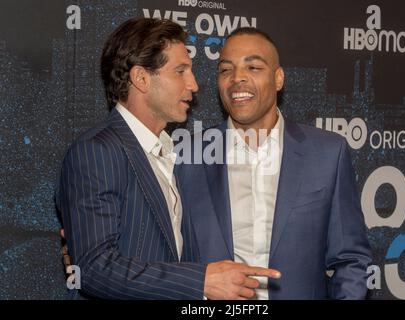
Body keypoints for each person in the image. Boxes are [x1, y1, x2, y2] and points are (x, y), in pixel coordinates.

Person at [56, 18, 281, 300]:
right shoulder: (97, 151)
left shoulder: (169, 155)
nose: (194, 84)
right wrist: (201, 281)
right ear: (141, 78)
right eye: (180, 71)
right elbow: (92, 268)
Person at [177, 27, 373, 299]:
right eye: (225, 70)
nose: (237, 79)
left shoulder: (328, 153)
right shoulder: (186, 155)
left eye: (253, 67)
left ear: (278, 78)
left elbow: (350, 259)